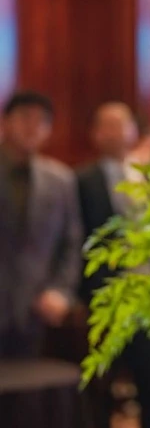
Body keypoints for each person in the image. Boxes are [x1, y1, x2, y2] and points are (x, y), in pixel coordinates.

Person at [77, 102, 150, 428]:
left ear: (133, 130)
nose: (116, 132)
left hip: (149, 296)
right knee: (101, 381)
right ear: (95, 133)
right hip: (106, 297)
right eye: (108, 125)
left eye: (123, 124)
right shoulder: (81, 180)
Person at [0, 91, 83, 357]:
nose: (33, 127)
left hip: (35, 311)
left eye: (42, 121)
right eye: (25, 118)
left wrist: (60, 290)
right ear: (5, 122)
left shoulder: (61, 180)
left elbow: (72, 243)